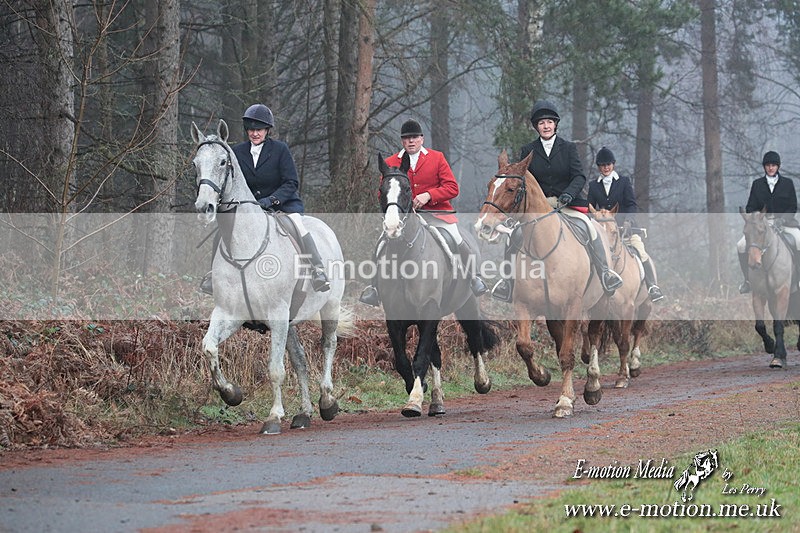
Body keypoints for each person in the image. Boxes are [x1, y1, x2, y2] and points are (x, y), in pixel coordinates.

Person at [491, 100, 623, 302]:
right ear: (536, 126)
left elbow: (579, 176)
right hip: (539, 206)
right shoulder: (528, 150)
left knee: (590, 227)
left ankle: (605, 273)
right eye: (541, 123)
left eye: (549, 122)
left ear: (555, 125)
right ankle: (507, 282)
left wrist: (569, 193)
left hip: (566, 203)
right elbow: (523, 181)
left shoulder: (568, 148)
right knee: (513, 235)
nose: (546, 126)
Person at [200, 103, 329, 294]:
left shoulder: (280, 150)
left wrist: (271, 200)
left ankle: (316, 269)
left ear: (267, 130)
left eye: (258, 129)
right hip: (249, 208)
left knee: (298, 225)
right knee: (222, 231)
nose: (254, 133)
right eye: (251, 129)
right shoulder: (237, 152)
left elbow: (291, 182)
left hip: (281, 206)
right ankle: (213, 275)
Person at [359, 119, 488, 306]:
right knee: (380, 245)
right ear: (402, 141)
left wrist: (429, 195)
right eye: (406, 138)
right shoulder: (390, 162)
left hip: (436, 213)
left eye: (414, 137)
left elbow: (452, 187)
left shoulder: (437, 158)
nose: (411, 141)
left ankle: (474, 277)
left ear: (422, 139)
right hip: (405, 217)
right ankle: (374, 288)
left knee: (457, 239)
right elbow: (382, 192)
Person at [587, 146, 664, 302]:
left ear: (613, 164)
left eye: (608, 164)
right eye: (602, 165)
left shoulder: (623, 182)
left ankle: (652, 286)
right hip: (602, 230)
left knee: (641, 252)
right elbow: (590, 207)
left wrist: (628, 221)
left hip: (624, 229)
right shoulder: (593, 186)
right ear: (599, 167)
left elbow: (631, 204)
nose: (606, 167)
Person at [737, 150, 800, 293]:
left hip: (784, 223)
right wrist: (759, 217)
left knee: (799, 240)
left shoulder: (787, 183)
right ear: (764, 167)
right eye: (768, 165)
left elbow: (793, 207)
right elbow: (750, 206)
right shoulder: (757, 184)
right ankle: (747, 280)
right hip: (761, 224)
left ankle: (799, 278)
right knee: (740, 245)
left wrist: (782, 219)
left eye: (773, 165)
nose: (771, 168)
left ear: (778, 167)